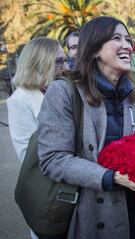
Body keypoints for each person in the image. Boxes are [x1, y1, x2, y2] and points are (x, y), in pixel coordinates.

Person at [37, 16, 135, 239]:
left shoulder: (133, 94)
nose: (127, 46)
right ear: (94, 49)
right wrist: (111, 177)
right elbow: (53, 158)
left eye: (128, 40)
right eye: (117, 38)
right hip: (93, 211)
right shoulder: (63, 92)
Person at [7, 37, 69, 239]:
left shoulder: (63, 90)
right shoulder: (20, 100)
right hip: (50, 192)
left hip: (74, 183)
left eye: (65, 60)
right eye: (59, 61)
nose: (66, 66)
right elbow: (27, 154)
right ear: (41, 62)